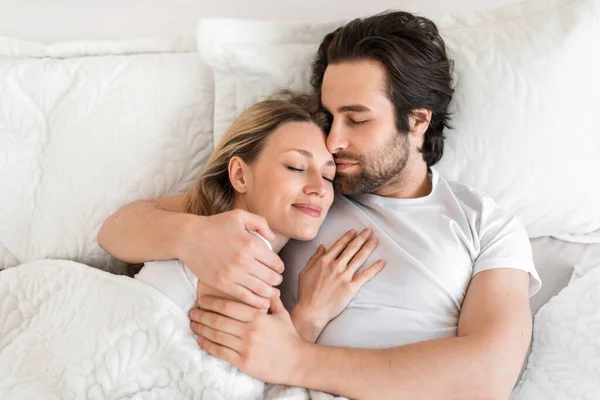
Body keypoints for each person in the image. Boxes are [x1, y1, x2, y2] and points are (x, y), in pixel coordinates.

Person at [98, 10, 542, 400]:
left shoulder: (486, 226)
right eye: (329, 117)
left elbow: (488, 375)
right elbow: (119, 229)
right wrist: (192, 235)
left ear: (418, 120)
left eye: (358, 118)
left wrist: (295, 360)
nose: (333, 141)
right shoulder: (304, 195)